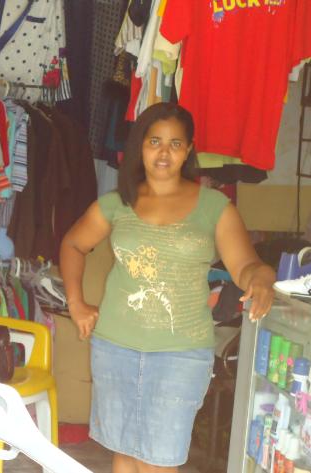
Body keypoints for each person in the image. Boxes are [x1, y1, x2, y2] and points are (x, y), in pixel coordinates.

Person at [59, 102, 275, 473]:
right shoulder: (117, 203)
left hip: (181, 354)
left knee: (159, 461)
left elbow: (245, 266)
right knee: (124, 452)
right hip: (115, 347)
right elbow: (73, 244)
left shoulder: (214, 207)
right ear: (140, 147)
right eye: (154, 141)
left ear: (188, 150)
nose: (163, 152)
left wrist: (262, 277)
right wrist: (76, 303)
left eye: (175, 144)